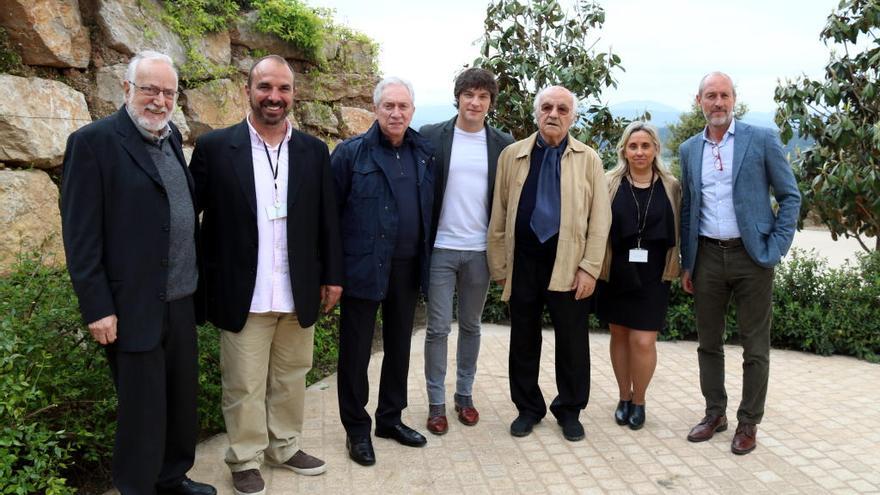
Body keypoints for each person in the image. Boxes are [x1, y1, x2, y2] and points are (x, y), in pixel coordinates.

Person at [60, 50, 215, 495]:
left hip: (180, 299)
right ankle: (137, 487)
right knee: (142, 410)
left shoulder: (169, 138)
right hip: (130, 307)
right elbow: (81, 236)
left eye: (168, 92)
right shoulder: (93, 143)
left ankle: (171, 477)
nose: (159, 100)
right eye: (149, 89)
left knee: (179, 402)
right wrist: (97, 308)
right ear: (127, 89)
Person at [189, 55, 343, 495]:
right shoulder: (216, 147)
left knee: (292, 377)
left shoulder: (312, 151)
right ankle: (244, 457)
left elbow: (326, 219)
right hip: (244, 291)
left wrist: (333, 275)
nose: (274, 97)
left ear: (294, 94)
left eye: (283, 89)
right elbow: (187, 216)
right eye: (265, 87)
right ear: (248, 91)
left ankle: (285, 446)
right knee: (243, 385)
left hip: (297, 290)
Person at [680, 72, 800, 455]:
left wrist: (775, 248)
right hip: (707, 256)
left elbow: (790, 196)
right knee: (708, 344)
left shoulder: (760, 138)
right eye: (711, 96)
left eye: (724, 95)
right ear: (698, 100)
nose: (718, 102)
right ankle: (715, 413)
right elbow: (688, 209)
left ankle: (749, 422)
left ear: (735, 99)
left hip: (753, 257)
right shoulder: (687, 149)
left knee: (755, 347)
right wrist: (687, 261)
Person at [487, 85, 611, 442]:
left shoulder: (588, 159)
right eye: (546, 107)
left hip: (570, 266)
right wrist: (500, 267)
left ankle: (569, 410)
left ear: (572, 116)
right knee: (523, 339)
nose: (553, 114)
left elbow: (600, 221)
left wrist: (589, 267)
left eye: (561, 108)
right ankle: (528, 408)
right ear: (536, 113)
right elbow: (500, 213)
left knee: (572, 342)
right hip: (524, 262)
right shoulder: (512, 155)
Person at [332, 76, 435, 466]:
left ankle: (389, 419)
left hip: (407, 269)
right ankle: (356, 430)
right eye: (388, 106)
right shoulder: (350, 154)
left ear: (412, 111)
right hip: (362, 267)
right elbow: (329, 216)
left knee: (399, 348)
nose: (396, 113)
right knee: (356, 353)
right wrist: (333, 273)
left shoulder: (423, 153)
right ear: (375, 110)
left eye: (403, 107)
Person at [419, 68, 514, 435]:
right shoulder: (432, 136)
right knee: (438, 328)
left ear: (490, 103)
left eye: (483, 97)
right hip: (440, 248)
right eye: (469, 95)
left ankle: (464, 395)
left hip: (479, 252)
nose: (475, 102)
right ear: (457, 97)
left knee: (472, 325)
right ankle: (436, 404)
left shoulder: (502, 143)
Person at [596, 121, 680, 431]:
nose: (639, 152)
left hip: (655, 273)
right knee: (619, 335)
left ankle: (640, 399)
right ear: (624, 150)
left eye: (646, 146)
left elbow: (680, 231)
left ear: (656, 148)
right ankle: (623, 396)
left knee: (643, 341)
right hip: (617, 270)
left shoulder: (672, 186)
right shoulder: (609, 182)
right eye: (633, 146)